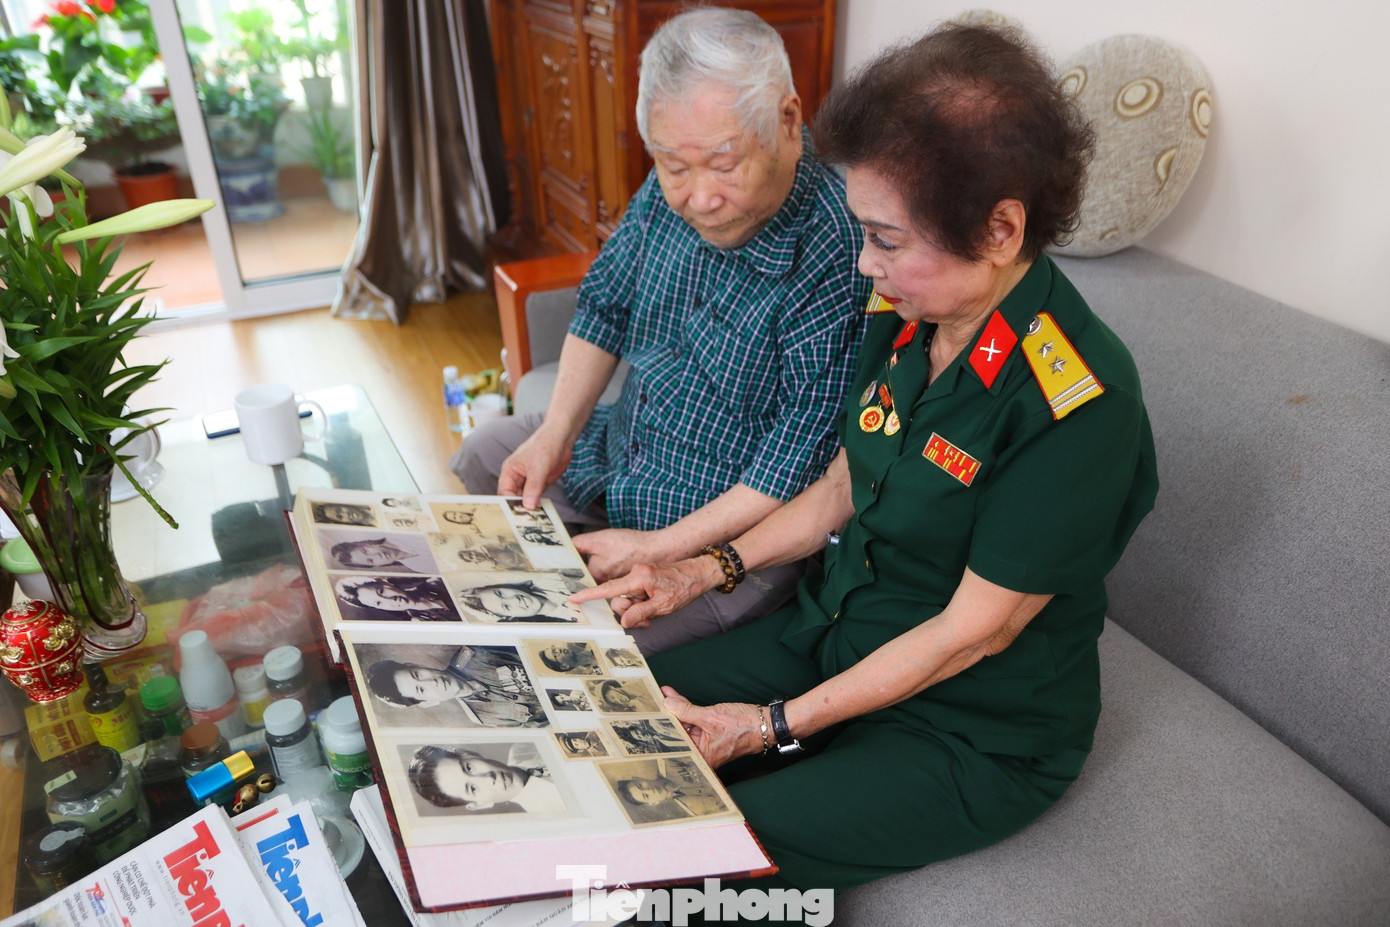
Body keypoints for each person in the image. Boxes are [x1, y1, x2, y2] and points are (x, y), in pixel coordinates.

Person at [573, 22, 1158, 899]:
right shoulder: (906, 315)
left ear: (1001, 229)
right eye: (862, 232)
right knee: (605, 714)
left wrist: (766, 727)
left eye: (886, 240)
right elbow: (848, 479)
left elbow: (977, 631)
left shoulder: (1079, 401)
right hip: (837, 638)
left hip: (967, 726)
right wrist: (701, 569)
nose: (864, 266)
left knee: (717, 859)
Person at [452, 8, 870, 656]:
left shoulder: (836, 247)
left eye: (723, 165)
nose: (697, 196)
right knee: (487, 455)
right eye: (674, 166)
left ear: (788, 121)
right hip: (621, 457)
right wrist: (555, 436)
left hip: (723, 532)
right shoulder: (671, 182)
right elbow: (603, 309)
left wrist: (654, 548)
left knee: (594, 649)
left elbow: (790, 469)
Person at [365, 645, 543, 727]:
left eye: (417, 675)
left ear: (418, 665)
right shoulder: (482, 717)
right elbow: (539, 726)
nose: (431, 682)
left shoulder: (477, 652)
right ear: (428, 703)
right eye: (421, 690)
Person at [408, 743, 562, 813]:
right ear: (480, 804)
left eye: (469, 768)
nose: (488, 778)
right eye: (472, 788)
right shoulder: (552, 813)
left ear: (467, 753)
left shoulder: (523, 747)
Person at [335, 575, 459, 622]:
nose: (390, 600)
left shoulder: (438, 582)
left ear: (386, 583)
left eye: (381, 591)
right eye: (378, 602)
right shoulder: (420, 625)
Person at [455, 579, 581, 623]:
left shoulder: (549, 581)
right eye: (506, 607)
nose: (514, 599)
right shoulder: (557, 627)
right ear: (509, 617)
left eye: (500, 593)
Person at [328, 537, 435, 572]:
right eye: (370, 561)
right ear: (375, 566)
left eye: (366, 551)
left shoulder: (401, 536)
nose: (377, 556)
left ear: (365, 543)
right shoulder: (417, 567)